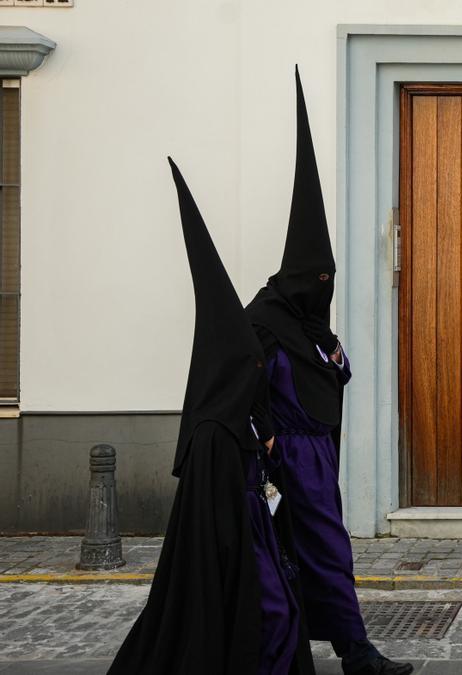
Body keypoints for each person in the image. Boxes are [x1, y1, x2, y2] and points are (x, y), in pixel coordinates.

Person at [109, 159, 314, 675]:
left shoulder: (244, 419)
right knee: (272, 613)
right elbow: (210, 529)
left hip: (257, 536)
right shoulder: (212, 434)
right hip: (237, 547)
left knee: (283, 612)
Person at [245, 69, 413, 675]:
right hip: (284, 458)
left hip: (319, 456)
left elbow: (333, 372)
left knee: (323, 553)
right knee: (297, 555)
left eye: (329, 282)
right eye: (316, 281)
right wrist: (265, 438)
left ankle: (348, 649)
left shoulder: (312, 324)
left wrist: (336, 357)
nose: (323, 291)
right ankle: (342, 651)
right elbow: (244, 386)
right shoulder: (264, 320)